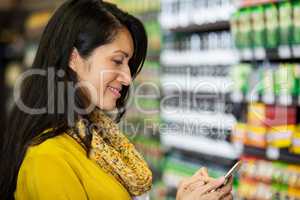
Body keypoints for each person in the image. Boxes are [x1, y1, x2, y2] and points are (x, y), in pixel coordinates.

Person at [0, 0, 233, 199]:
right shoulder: (48, 160)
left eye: (128, 64)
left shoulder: (95, 139)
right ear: (74, 58)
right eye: (117, 60)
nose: (127, 78)